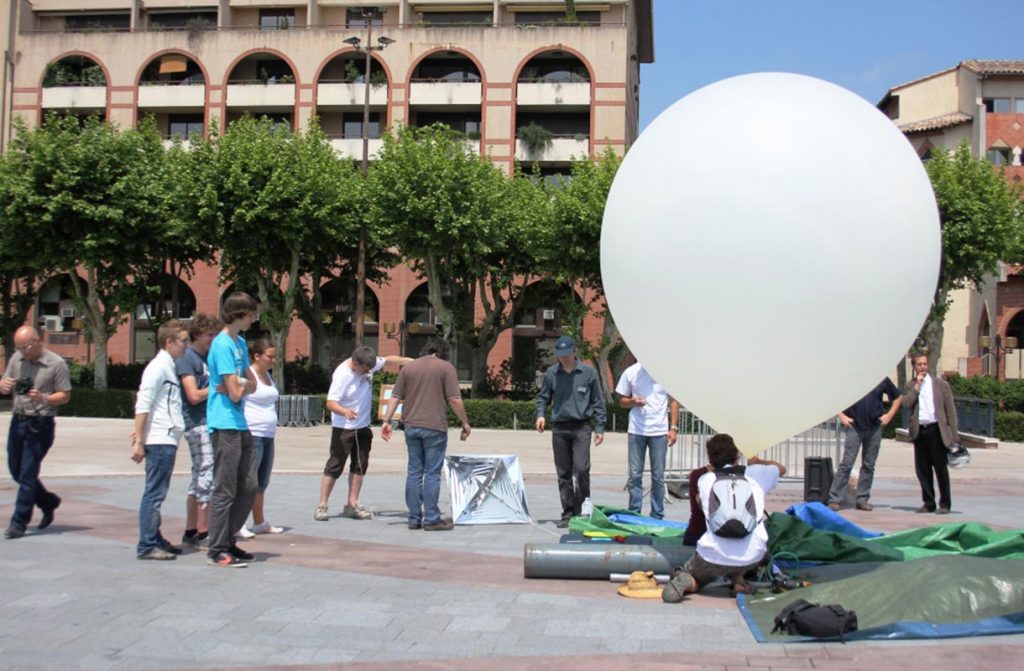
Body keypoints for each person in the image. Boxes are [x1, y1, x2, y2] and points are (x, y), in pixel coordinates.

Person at [667, 434, 786, 599]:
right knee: (746, 539)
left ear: (709, 459)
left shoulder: (705, 479)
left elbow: (702, 507)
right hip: (753, 556)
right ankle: (738, 580)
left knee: (699, 575)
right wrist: (757, 462)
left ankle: (689, 581)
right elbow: (781, 468)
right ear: (737, 455)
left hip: (712, 554)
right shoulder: (755, 474)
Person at [381, 337, 471, 531]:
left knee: (414, 471)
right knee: (432, 473)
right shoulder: (446, 368)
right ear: (442, 352)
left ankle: (414, 518)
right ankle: (431, 518)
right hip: (435, 427)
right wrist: (465, 422)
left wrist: (386, 421)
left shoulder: (409, 368)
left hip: (411, 426)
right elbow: (455, 399)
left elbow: (395, 397)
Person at [317, 346, 411, 522]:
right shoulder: (342, 375)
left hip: (363, 427)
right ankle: (322, 505)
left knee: (360, 465)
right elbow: (330, 402)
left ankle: (352, 504)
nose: (368, 373)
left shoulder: (369, 364)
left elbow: (390, 359)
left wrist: (412, 362)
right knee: (335, 465)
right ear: (355, 363)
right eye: (365, 370)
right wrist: (344, 411)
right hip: (343, 428)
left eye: (370, 369)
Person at [1, 325, 71, 539]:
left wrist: (44, 397)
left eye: (26, 347)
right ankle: (48, 501)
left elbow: (65, 395)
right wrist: (3, 386)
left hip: (41, 422)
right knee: (15, 469)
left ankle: (19, 522)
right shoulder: (16, 360)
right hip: (18, 419)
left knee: (28, 473)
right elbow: (6, 382)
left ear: (38, 340)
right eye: (19, 348)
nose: (23, 351)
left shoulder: (55, 363)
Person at [206, 292, 260, 567]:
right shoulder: (222, 345)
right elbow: (236, 393)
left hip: (240, 423)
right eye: (252, 315)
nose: (254, 320)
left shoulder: (240, 342)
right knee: (225, 488)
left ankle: (230, 539)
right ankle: (217, 547)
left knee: (250, 484)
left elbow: (252, 384)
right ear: (239, 314)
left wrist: (239, 384)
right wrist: (238, 386)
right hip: (224, 423)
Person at [131, 320, 190, 560]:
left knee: (157, 492)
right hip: (159, 439)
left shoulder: (169, 366)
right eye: (183, 341)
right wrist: (139, 440)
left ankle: (154, 538)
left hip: (166, 437)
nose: (186, 345)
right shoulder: (158, 368)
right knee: (154, 494)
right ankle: (146, 544)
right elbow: (143, 403)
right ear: (169, 342)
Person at [535, 335, 606, 528]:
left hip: (582, 427)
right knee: (563, 473)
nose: (564, 359)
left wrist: (600, 427)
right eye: (560, 355)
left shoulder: (588, 373)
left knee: (582, 470)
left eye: (567, 355)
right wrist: (540, 415)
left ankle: (584, 510)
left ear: (574, 352)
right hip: (559, 428)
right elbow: (542, 398)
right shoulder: (551, 374)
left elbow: (598, 402)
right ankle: (568, 512)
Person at [177, 313, 220, 548]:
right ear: (197, 334)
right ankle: (204, 531)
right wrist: (218, 388)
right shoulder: (187, 359)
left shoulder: (205, 358)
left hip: (207, 421)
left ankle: (191, 529)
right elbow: (192, 395)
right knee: (206, 474)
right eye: (209, 335)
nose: (212, 339)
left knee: (199, 476)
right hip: (196, 422)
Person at [615, 362, 679, 519]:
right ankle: (634, 512)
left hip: (659, 431)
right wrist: (632, 402)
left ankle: (657, 514)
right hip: (637, 430)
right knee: (635, 474)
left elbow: (674, 401)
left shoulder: (666, 372)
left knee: (658, 475)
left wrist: (673, 428)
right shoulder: (631, 372)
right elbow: (621, 400)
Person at [827, 379, 902, 512]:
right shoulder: (855, 377)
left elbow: (897, 397)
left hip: (874, 427)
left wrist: (889, 415)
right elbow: (833, 396)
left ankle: (862, 499)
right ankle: (835, 499)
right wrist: (842, 416)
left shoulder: (881, 378)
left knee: (869, 464)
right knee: (847, 463)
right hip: (854, 426)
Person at [238, 337, 284, 537]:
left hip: (268, 434)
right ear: (257, 356)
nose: (273, 361)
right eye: (269, 357)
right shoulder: (248, 374)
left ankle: (259, 522)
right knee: (248, 480)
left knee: (261, 482)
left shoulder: (268, 375)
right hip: (252, 432)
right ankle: (238, 523)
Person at [903, 352, 958, 515]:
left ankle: (945, 503)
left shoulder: (941, 385)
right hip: (920, 431)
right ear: (914, 367)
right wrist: (916, 387)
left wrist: (954, 435)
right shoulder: (910, 385)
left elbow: (951, 411)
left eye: (925, 364)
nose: (922, 367)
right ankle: (928, 502)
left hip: (936, 430)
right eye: (919, 364)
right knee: (922, 469)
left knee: (940, 468)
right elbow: (907, 404)